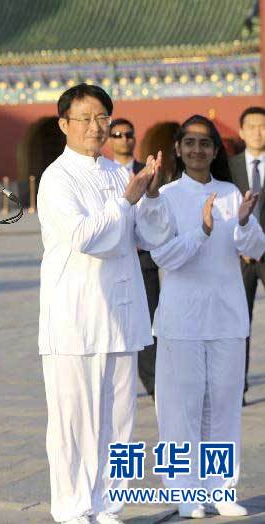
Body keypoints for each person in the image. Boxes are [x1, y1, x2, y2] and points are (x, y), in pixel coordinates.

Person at [37, 83, 169, 524]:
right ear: (64, 124)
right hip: (75, 317)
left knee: (119, 418)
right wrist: (127, 200)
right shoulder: (57, 178)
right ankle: (73, 507)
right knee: (74, 420)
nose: (95, 127)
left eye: (102, 118)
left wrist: (151, 194)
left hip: (121, 312)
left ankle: (109, 503)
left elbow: (153, 235)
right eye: (85, 119)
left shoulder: (118, 173)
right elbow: (84, 237)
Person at [139, 115, 263, 519]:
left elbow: (254, 248)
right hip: (182, 319)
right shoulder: (166, 196)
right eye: (189, 142)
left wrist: (242, 222)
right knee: (181, 408)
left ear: (215, 150)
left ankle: (220, 489)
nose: (197, 149)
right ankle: (186, 491)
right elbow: (164, 255)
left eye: (205, 143)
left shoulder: (230, 192)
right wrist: (203, 231)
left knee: (224, 406)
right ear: (177, 148)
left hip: (226, 316)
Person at [108, 117, 160, 399]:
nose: (123, 139)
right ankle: (117, 386)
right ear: (109, 139)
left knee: (149, 322)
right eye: (117, 134)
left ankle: (153, 383)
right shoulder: (103, 174)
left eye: (128, 134)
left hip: (145, 262)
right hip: (114, 260)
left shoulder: (148, 171)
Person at [228, 105, 265, 403]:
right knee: (239, 323)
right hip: (240, 258)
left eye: (262, 126)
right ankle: (236, 387)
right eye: (251, 126)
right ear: (241, 131)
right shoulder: (229, 168)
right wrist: (243, 245)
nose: (257, 131)